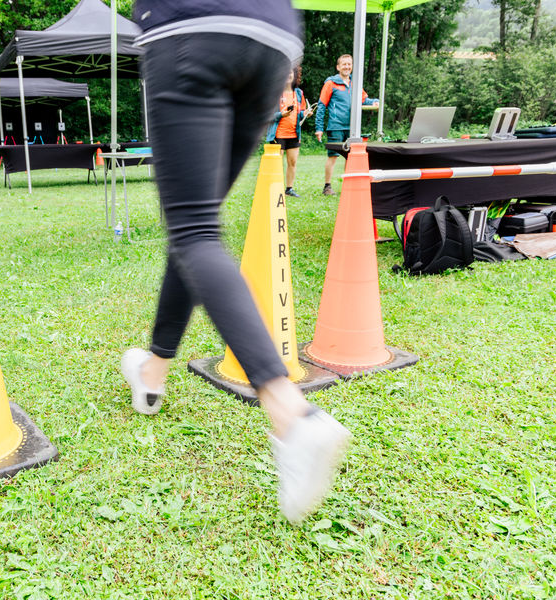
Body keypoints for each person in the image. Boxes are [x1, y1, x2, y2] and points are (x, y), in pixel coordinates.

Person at [124, 0, 351, 524]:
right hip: (272, 40)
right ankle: (153, 372)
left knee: (195, 230)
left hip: (191, 29)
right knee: (194, 230)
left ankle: (291, 414)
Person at [314, 54, 379, 196]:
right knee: (333, 156)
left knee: (350, 157)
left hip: (352, 127)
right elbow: (321, 105)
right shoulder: (330, 83)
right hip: (336, 126)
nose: (347, 67)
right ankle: (327, 187)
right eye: (344, 64)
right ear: (338, 67)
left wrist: (375, 101)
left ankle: (347, 186)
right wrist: (319, 128)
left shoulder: (354, 84)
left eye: (349, 64)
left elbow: (365, 100)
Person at [266, 67, 314, 198]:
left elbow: (301, 112)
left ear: (295, 75)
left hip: (294, 134)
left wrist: (306, 113)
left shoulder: (298, 93)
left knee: (292, 162)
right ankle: (274, 189)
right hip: (278, 134)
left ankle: (289, 189)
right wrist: (281, 114)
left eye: (291, 72)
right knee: (276, 163)